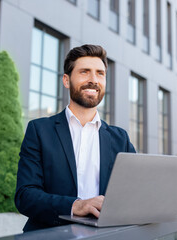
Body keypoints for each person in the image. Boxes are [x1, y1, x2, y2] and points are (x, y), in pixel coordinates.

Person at [15, 44, 136, 232]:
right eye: (84, 72)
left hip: (104, 236)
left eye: (100, 73)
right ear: (66, 80)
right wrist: (75, 206)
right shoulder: (39, 130)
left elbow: (134, 192)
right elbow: (25, 196)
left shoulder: (120, 138)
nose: (93, 80)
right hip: (51, 235)